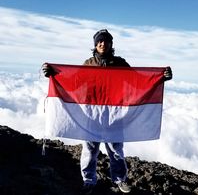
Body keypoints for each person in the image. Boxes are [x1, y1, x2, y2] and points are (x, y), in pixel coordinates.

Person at [42, 29, 173, 195]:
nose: (103, 44)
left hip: (115, 115)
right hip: (92, 115)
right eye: (99, 41)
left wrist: (160, 77)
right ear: (95, 45)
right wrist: (54, 74)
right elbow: (74, 82)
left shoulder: (120, 64)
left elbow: (137, 81)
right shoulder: (88, 64)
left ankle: (119, 179)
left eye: (106, 41)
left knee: (116, 151)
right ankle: (88, 180)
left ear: (111, 44)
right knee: (89, 150)